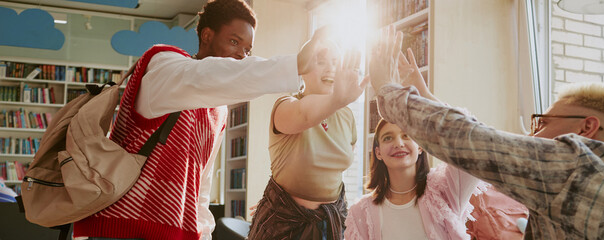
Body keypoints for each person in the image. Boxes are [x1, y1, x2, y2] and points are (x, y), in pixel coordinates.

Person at [367, 26, 604, 239]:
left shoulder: (578, 162)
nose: (533, 137)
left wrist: (386, 88)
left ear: (586, 128)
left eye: (542, 123)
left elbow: (473, 142)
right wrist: (428, 99)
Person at [72, 0, 331, 239]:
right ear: (207, 36)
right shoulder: (164, 64)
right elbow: (209, 76)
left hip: (171, 231)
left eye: (247, 50)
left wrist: (204, 234)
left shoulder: (217, 107)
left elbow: (201, 184)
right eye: (233, 41)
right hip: (121, 226)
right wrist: (296, 64)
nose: (241, 54)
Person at [246, 40, 367, 239]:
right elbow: (305, 115)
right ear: (301, 69)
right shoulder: (286, 105)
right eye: (320, 61)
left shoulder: (346, 115)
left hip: (331, 225)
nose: (330, 68)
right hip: (284, 225)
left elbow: (334, 167)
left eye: (335, 62)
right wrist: (274, 202)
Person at [344, 118, 479, 239]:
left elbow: (470, 146)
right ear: (378, 153)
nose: (398, 143)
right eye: (387, 138)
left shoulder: (445, 192)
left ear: (420, 146)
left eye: (406, 135)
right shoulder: (360, 213)